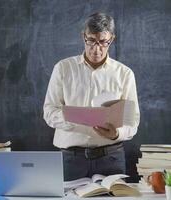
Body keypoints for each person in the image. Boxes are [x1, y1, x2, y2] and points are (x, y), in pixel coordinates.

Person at [43, 12, 140, 181]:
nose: (96, 48)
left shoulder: (124, 74)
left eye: (103, 42)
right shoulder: (63, 68)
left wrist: (116, 134)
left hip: (111, 158)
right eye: (91, 41)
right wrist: (75, 117)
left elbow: (132, 121)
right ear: (83, 37)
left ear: (112, 39)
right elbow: (49, 112)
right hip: (70, 159)